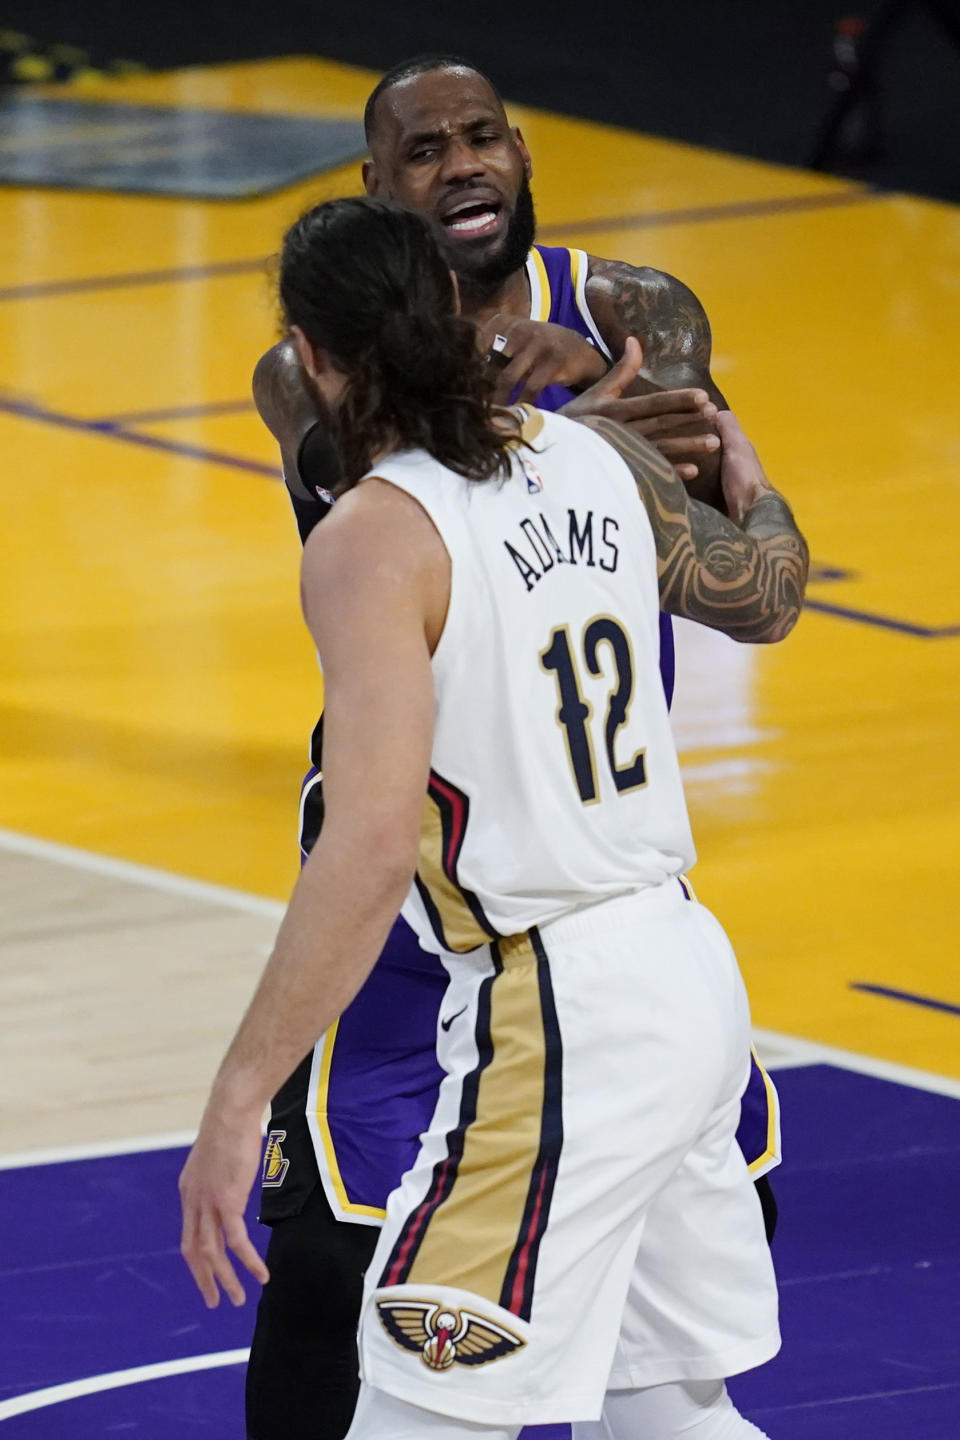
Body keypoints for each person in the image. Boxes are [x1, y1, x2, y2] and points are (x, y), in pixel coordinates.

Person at [180, 195, 808, 1440]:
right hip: (686, 970)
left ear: (311, 354)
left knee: (418, 1412)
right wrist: (759, 483)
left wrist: (239, 1094)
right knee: (674, 1413)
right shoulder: (591, 453)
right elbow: (767, 587)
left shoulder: (372, 536)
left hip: (556, 1005)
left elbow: (366, 845)